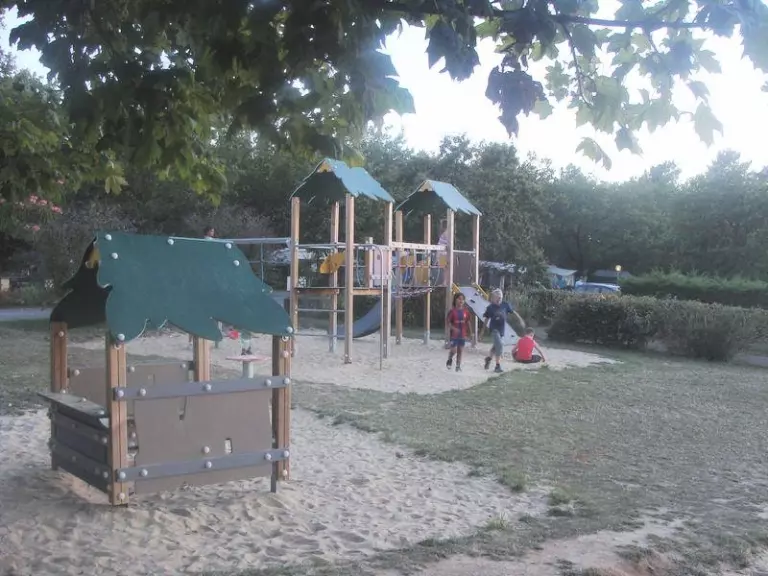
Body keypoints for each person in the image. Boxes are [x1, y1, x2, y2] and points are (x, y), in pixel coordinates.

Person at [479, 288, 525, 373]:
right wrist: (482, 331)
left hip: (501, 330)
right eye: (497, 298)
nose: (499, 299)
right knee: (499, 346)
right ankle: (497, 366)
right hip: (494, 329)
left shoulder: (505, 305)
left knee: (495, 347)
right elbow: (486, 319)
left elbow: (513, 312)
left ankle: (488, 359)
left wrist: (520, 319)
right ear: (493, 298)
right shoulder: (490, 308)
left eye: (500, 298)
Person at [445, 293, 473, 372]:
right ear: (455, 300)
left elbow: (468, 322)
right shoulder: (452, 311)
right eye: (459, 299)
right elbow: (448, 323)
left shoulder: (466, 312)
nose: (461, 300)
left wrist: (471, 333)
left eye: (462, 299)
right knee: (454, 350)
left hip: (462, 335)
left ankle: (458, 366)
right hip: (454, 335)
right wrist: (453, 328)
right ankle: (450, 358)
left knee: (460, 350)